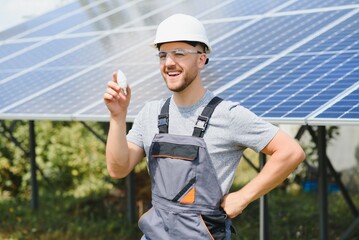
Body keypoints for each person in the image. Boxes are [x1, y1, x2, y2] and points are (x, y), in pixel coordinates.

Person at [104, 13, 305, 240]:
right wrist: (117, 117)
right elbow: (118, 169)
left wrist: (244, 196)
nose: (169, 62)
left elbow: (291, 152)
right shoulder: (150, 113)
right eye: (162, 55)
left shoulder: (227, 115)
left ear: (201, 59)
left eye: (179, 53)